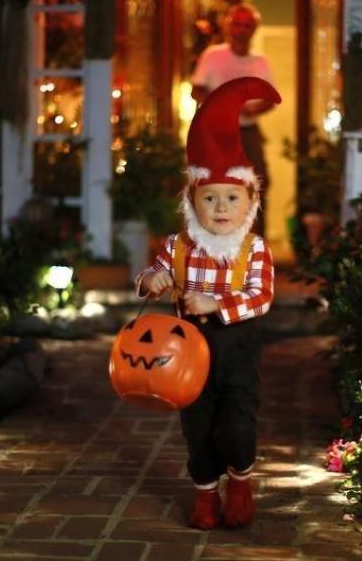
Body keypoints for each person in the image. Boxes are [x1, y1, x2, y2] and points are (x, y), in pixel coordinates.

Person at [136, 77, 280, 530]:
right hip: (189, 353)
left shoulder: (253, 249)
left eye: (232, 198)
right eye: (210, 198)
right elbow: (146, 278)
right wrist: (154, 280)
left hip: (237, 350)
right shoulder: (178, 246)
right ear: (192, 200)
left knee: (235, 426)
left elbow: (262, 295)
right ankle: (204, 496)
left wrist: (216, 305)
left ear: (250, 200)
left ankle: (239, 480)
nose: (220, 207)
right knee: (198, 430)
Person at [191, 3, 275, 237]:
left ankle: (256, 242)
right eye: (237, 24)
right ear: (229, 27)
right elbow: (196, 89)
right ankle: (208, 239)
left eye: (247, 25)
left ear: (254, 30)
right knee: (210, 183)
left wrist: (252, 110)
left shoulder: (260, 61)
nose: (241, 30)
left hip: (247, 132)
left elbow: (270, 99)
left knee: (258, 183)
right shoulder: (213, 56)